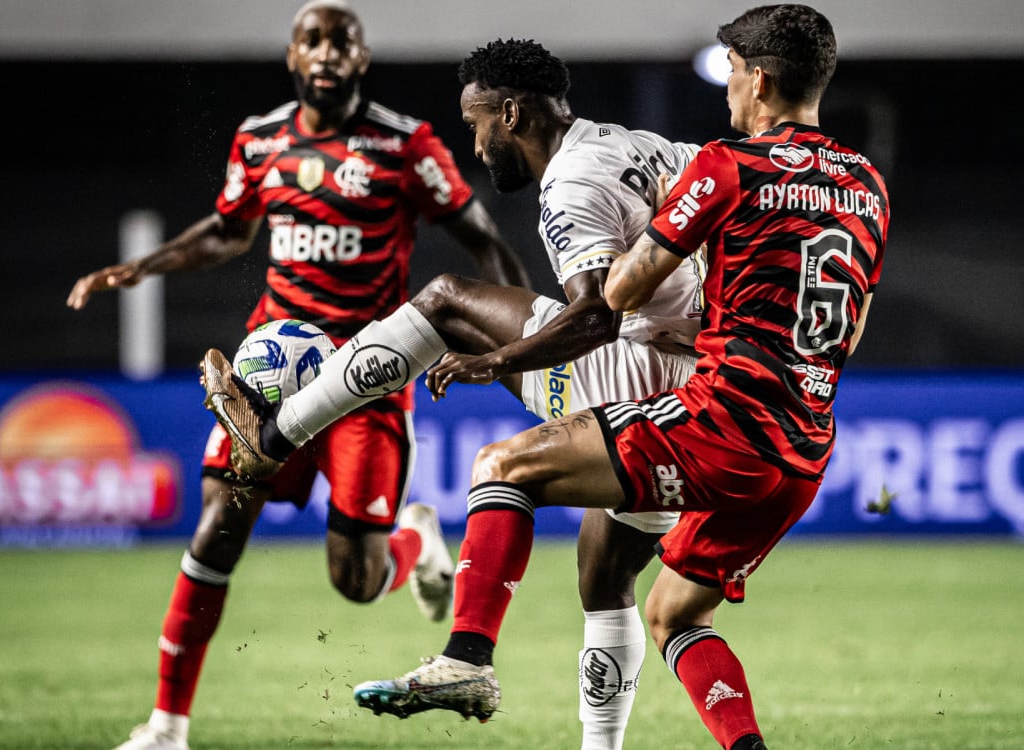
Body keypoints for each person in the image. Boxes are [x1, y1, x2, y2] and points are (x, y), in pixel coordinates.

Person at [347, 5, 890, 750]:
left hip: (721, 421)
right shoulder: (866, 185)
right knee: (672, 614)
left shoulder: (727, 165)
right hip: (803, 446)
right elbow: (849, 330)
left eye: (732, 70)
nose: (727, 86)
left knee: (505, 465)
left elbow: (621, 294)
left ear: (759, 80)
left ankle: (466, 658)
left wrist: (665, 226)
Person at [198, 38, 707, 750]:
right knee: (606, 573)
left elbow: (595, 318)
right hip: (698, 395)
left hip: (634, 373)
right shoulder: (645, 146)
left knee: (443, 303)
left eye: (475, 125)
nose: (475, 142)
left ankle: (275, 436)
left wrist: (494, 358)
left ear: (510, 113)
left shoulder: (571, 181)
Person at [66, 3, 529, 750]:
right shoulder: (261, 139)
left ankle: (418, 543)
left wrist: (526, 339)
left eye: (340, 42)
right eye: (312, 40)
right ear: (291, 56)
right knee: (219, 526)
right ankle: (164, 728)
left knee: (356, 581)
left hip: (368, 378)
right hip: (269, 377)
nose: (326, 53)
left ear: (362, 58)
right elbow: (226, 230)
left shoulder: (403, 145)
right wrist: (141, 267)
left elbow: (481, 240)